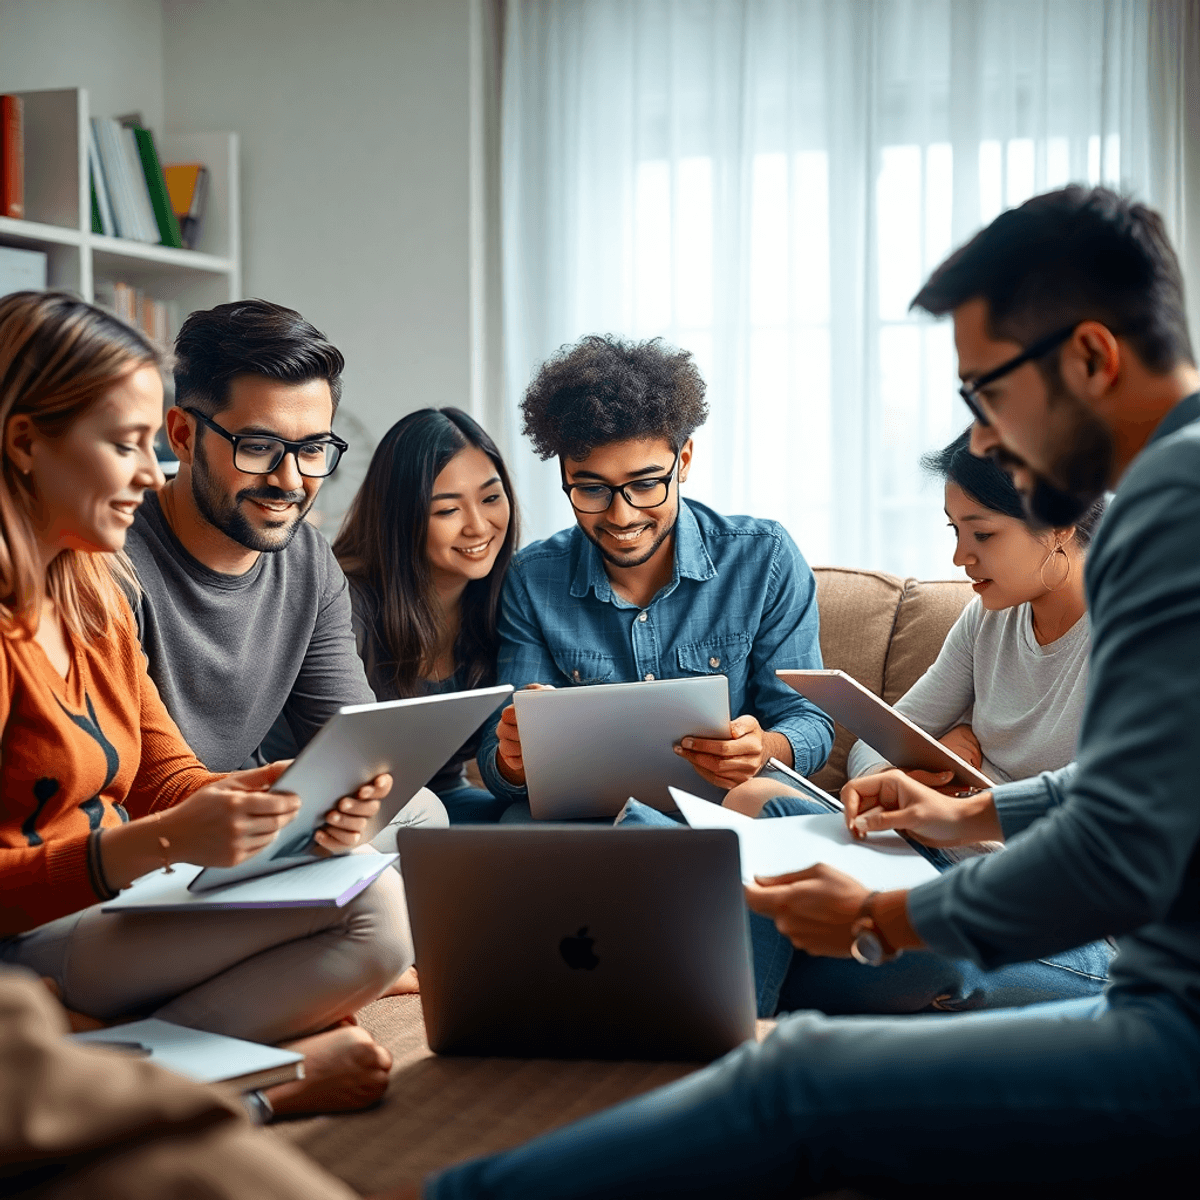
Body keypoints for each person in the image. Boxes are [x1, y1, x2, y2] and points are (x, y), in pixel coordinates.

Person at [415, 186, 1200, 1197]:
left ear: (1090, 357)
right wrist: (971, 811)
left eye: (987, 395)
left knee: (796, 1071)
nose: (986, 442)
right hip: (1152, 995)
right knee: (766, 957)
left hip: (1165, 1018)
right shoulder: (1169, 494)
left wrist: (894, 916)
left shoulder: (1168, 511)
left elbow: (1116, 850)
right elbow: (1143, 794)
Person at [0, 291, 409, 1118]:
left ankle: (93, 1063)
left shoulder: (92, 589)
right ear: (24, 444)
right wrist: (157, 844)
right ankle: (219, 1089)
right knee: (365, 914)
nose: (152, 473)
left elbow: (163, 774)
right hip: (33, 934)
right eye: (126, 445)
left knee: (378, 879)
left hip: (106, 906)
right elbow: (151, 822)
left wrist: (281, 792)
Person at [718, 431, 1111, 1015]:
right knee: (757, 809)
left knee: (928, 953)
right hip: (942, 863)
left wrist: (964, 809)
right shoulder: (988, 618)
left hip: (1063, 920)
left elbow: (1110, 829)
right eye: (955, 531)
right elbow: (870, 750)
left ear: (1057, 525)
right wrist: (931, 764)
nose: (960, 557)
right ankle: (736, 1008)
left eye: (983, 533)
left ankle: (736, 1018)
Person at [123, 299, 446, 842]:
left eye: (313, 448)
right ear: (181, 436)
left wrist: (356, 807)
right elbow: (142, 783)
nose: (289, 480)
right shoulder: (114, 553)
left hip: (248, 817)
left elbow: (353, 747)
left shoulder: (308, 560)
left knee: (422, 811)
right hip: (150, 835)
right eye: (259, 447)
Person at [476, 335, 834, 815]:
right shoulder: (532, 578)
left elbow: (808, 721)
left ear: (682, 461)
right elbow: (500, 774)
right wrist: (514, 755)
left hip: (727, 810)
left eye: (646, 484)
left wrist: (765, 748)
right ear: (563, 475)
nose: (622, 517)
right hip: (593, 822)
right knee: (514, 828)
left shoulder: (763, 558)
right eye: (591, 489)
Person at [332, 408, 518, 823]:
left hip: (444, 797)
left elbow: (452, 785)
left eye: (490, 498)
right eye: (448, 510)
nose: (478, 526)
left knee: (529, 827)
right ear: (403, 519)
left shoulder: (507, 597)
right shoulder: (345, 601)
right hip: (346, 806)